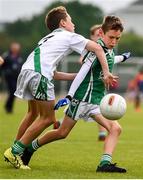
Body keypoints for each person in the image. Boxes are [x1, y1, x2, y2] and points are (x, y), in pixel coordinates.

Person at [4, 6, 117, 170]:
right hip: (39, 75)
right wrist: (106, 72)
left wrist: (76, 76)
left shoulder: (48, 38)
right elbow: (98, 48)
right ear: (63, 23)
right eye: (71, 20)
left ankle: (17, 145)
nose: (73, 24)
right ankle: (15, 151)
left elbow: (54, 73)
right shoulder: (69, 35)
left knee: (33, 113)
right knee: (48, 119)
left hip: (27, 72)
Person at [1, 42, 23, 113]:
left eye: (17, 48)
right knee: (13, 91)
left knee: (14, 92)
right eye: (15, 48)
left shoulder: (19, 56)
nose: (16, 49)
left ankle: (8, 107)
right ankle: (8, 107)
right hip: (9, 77)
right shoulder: (6, 56)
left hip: (16, 77)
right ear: (11, 48)